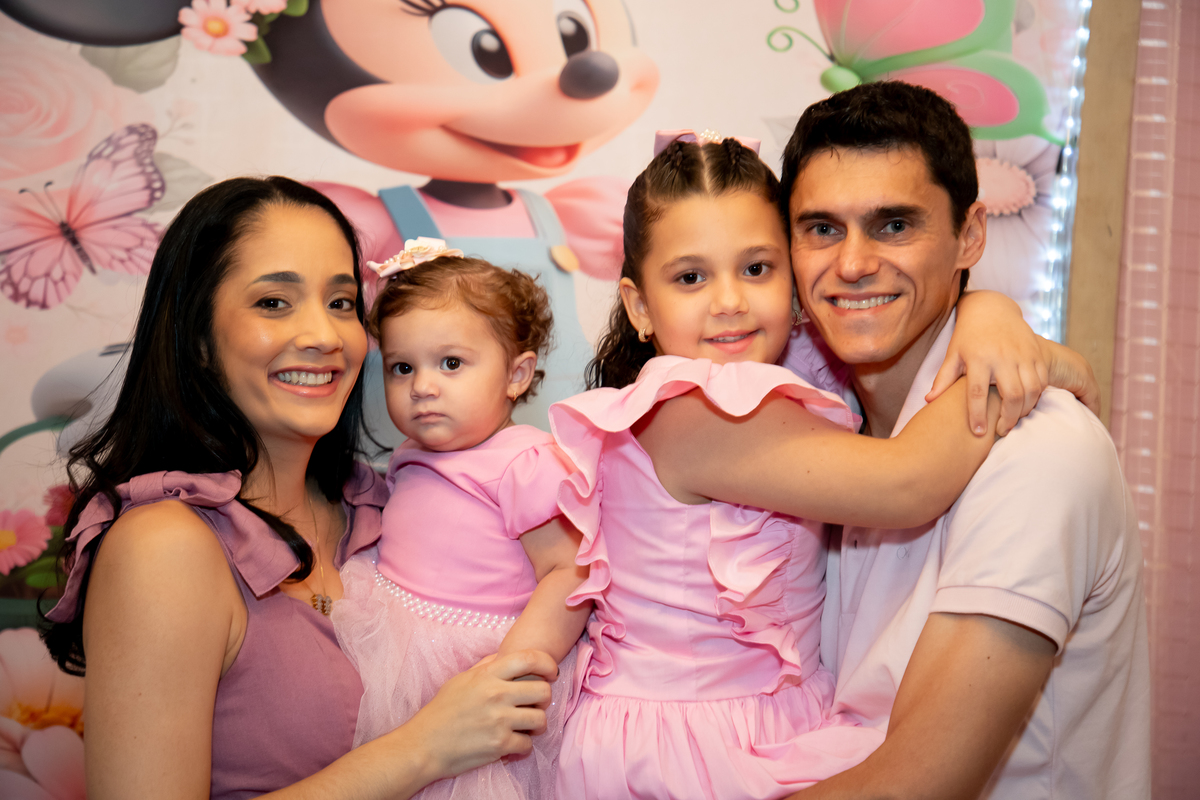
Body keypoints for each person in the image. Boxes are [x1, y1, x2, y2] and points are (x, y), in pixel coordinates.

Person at [549, 135, 1090, 799]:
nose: (729, 301)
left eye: (756, 268)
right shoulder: (684, 410)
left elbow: (918, 332)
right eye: (691, 278)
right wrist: (1016, 367)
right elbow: (906, 483)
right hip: (680, 741)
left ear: (794, 280)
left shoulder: (793, 366)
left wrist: (989, 312)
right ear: (639, 305)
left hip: (783, 716)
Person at [654, 84, 1149, 799]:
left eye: (893, 225)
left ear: (969, 237)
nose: (853, 263)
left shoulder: (1037, 453)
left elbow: (915, 783)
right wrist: (997, 314)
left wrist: (1006, 325)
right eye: (822, 229)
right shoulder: (808, 418)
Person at [40, 176, 560, 800]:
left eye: (341, 302)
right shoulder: (166, 547)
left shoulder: (383, 505)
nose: (323, 335)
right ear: (198, 339)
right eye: (273, 302)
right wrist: (424, 747)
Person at [334, 250, 589, 799]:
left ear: (516, 375)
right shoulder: (410, 453)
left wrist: (516, 666)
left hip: (472, 662)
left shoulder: (524, 461)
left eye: (450, 363)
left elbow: (570, 573)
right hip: (390, 640)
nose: (422, 386)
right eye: (403, 367)